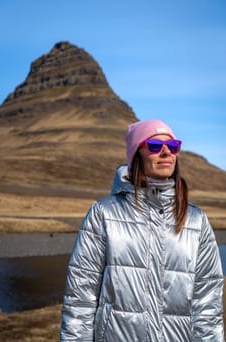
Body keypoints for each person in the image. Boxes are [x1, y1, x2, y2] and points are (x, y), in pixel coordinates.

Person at [60, 119, 224, 341]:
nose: (166, 152)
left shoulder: (196, 221)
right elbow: (80, 298)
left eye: (173, 146)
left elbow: (208, 304)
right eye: (155, 146)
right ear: (137, 155)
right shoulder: (104, 214)